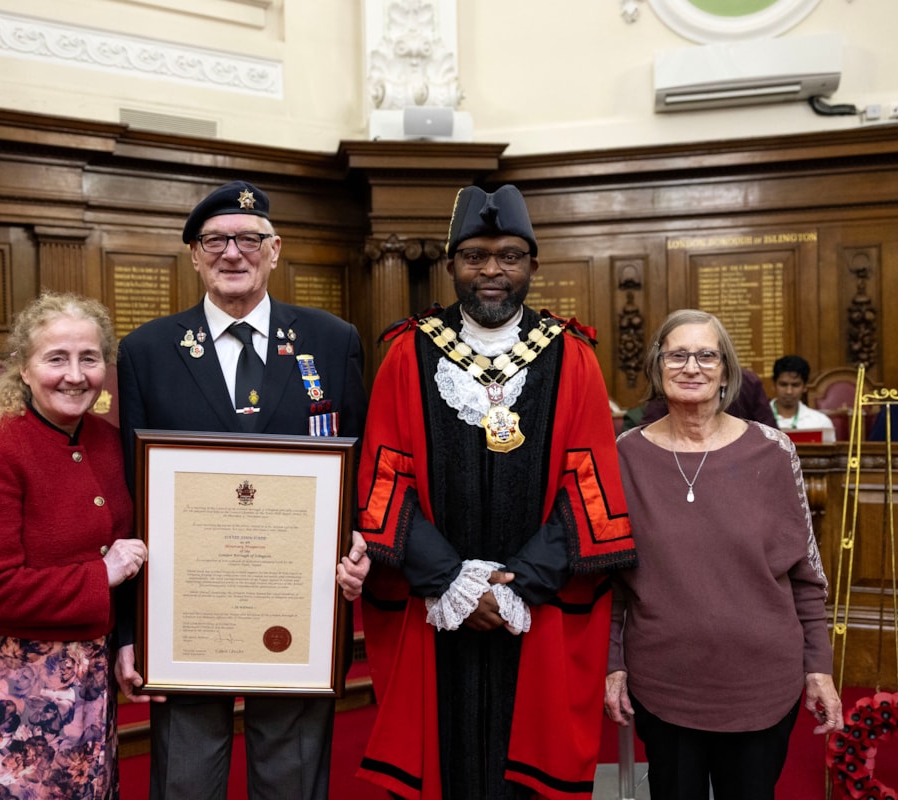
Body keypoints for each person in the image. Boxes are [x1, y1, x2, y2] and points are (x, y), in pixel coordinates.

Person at [349, 184, 638, 799]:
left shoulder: (572, 356)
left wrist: (516, 587)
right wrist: (453, 581)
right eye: (475, 256)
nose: (491, 271)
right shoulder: (407, 353)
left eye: (508, 255)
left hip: (536, 604)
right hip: (437, 604)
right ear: (451, 264)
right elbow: (384, 481)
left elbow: (589, 484)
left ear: (533, 264)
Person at [115, 180, 368, 800]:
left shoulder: (332, 342)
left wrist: (361, 544)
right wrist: (128, 630)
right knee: (186, 783)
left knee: (292, 783)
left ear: (274, 250)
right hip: (185, 618)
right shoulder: (147, 351)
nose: (234, 252)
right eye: (216, 241)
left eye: (249, 239)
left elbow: (357, 471)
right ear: (196, 256)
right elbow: (129, 496)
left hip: (298, 612)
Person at [605, 309, 843, 800]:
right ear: (657, 367)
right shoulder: (624, 454)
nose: (692, 366)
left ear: (726, 371)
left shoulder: (773, 450)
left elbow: (806, 572)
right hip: (665, 684)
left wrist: (818, 666)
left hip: (762, 684)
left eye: (706, 354)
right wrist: (613, 664)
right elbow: (610, 579)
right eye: (677, 354)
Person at [0, 291, 146, 800]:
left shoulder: (109, 443)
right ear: (23, 368)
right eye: (56, 358)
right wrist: (101, 574)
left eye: (89, 358)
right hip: (1, 684)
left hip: (86, 677)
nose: (74, 374)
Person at [636, 365, 776, 430]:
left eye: (706, 355)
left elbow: (770, 438)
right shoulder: (672, 381)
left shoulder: (748, 382)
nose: (692, 369)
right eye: (679, 355)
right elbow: (646, 434)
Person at [771, 354, 836, 442]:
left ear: (805, 387)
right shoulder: (756, 420)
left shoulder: (821, 423)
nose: (789, 391)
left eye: (795, 385)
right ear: (774, 384)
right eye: (783, 384)